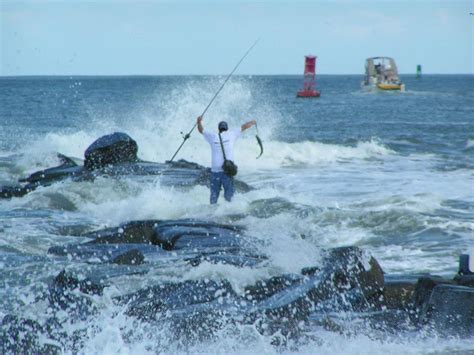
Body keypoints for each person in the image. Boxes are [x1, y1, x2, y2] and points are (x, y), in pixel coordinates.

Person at [197, 116, 256, 204]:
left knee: (214, 195)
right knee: (229, 196)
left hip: (215, 172)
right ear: (227, 129)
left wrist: (199, 121)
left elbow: (201, 130)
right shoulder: (232, 134)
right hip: (227, 171)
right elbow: (244, 126)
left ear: (219, 129)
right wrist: (253, 122)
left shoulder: (212, 136)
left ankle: (212, 212)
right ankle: (228, 211)